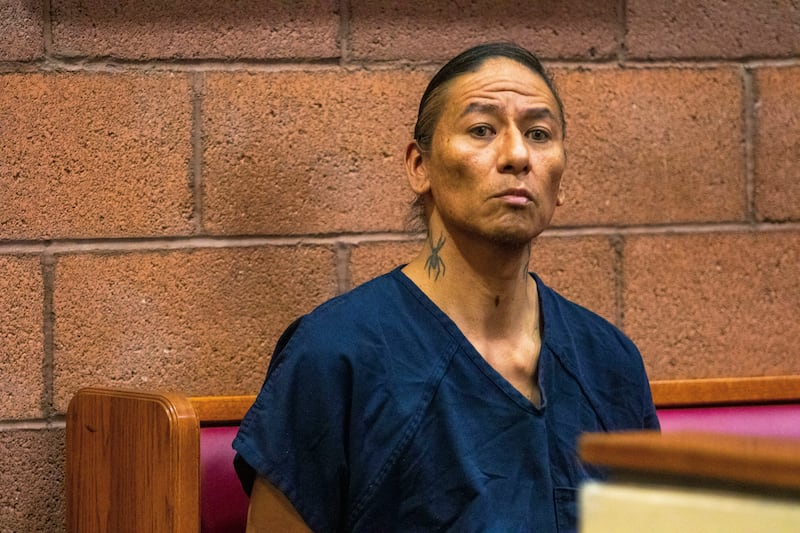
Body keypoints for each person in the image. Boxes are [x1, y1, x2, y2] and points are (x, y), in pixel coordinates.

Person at [233, 42, 659, 532]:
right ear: (421, 166)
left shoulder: (609, 362)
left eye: (539, 134)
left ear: (561, 179)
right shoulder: (334, 355)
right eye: (482, 130)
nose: (517, 155)